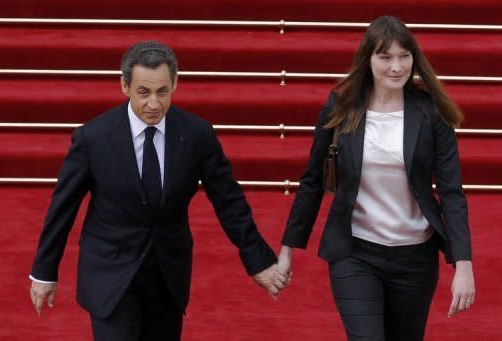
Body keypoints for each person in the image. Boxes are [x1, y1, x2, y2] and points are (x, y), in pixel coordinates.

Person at [29, 40, 288, 341]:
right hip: (110, 274)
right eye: (143, 92)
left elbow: (229, 201)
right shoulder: (94, 137)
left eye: (162, 92)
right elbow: (63, 208)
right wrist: (44, 271)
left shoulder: (196, 135)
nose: (153, 104)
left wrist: (258, 259)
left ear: (175, 84)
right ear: (125, 86)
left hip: (167, 276)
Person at [277, 16, 475, 341]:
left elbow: (452, 192)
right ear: (368, 60)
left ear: (414, 58)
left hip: (415, 259)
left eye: (404, 56)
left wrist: (463, 264)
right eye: (385, 57)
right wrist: (287, 249)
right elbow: (312, 181)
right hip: (356, 253)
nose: (396, 67)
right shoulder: (342, 107)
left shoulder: (431, 112)